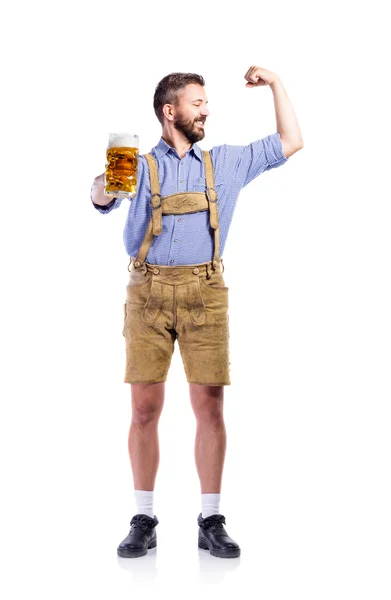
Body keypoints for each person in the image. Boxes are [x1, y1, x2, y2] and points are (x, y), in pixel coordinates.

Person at [90, 65, 303, 559]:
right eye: (197, 103)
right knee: (144, 409)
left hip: (207, 292)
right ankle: (143, 517)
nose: (206, 110)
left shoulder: (226, 163)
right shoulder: (138, 165)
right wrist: (105, 178)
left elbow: (292, 140)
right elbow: (100, 199)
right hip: (147, 293)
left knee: (210, 407)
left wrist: (275, 83)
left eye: (206, 103)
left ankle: (211, 518)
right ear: (171, 111)